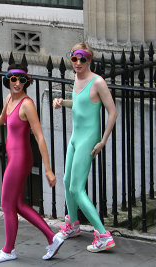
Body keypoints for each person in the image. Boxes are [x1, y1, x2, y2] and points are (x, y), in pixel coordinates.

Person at [0, 64, 64, 262]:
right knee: (17, 203)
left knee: (7, 204)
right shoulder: (10, 99)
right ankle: (52, 238)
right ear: (8, 80)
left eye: (21, 80)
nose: (17, 83)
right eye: (13, 79)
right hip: (15, 158)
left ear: (26, 81)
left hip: (20, 160)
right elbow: (2, 119)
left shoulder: (27, 104)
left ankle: (9, 250)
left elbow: (39, 136)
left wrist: (48, 168)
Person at [53, 42, 118, 252]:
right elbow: (80, 103)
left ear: (89, 59)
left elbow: (113, 112)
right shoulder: (76, 78)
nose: (78, 63)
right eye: (75, 58)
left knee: (76, 188)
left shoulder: (97, 81)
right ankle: (72, 225)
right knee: (65, 180)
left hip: (89, 139)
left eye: (83, 58)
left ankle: (103, 235)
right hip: (76, 137)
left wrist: (103, 140)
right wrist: (63, 102)